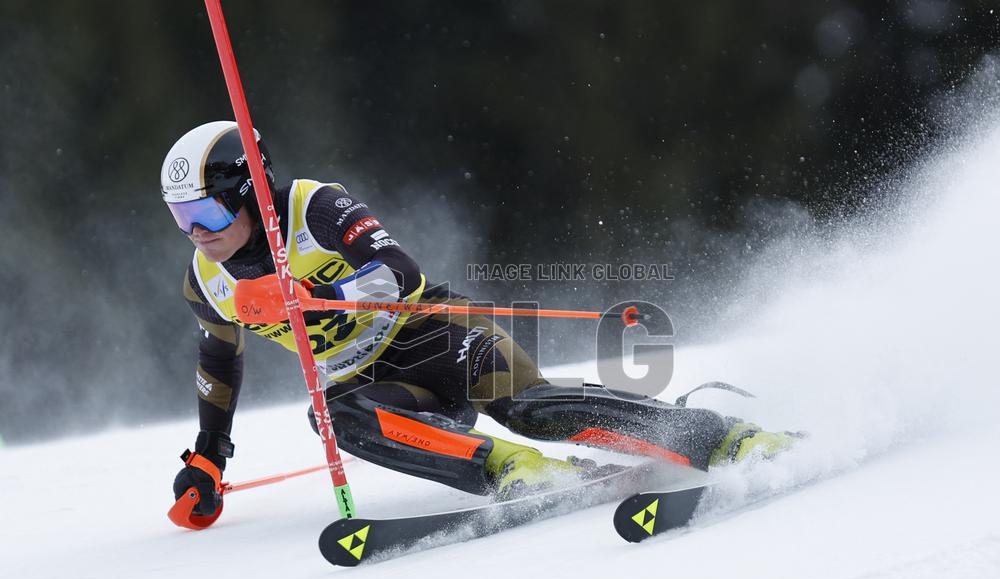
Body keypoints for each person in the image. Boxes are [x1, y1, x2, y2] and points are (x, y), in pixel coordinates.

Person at [161, 121, 801, 516]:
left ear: (250, 191)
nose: (199, 234)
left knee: (528, 408)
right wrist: (211, 457)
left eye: (209, 214)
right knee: (332, 415)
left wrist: (310, 293)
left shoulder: (312, 207)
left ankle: (723, 437)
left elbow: (399, 272)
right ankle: (515, 470)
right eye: (182, 219)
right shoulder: (207, 282)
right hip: (383, 385)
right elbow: (218, 361)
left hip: (437, 333)